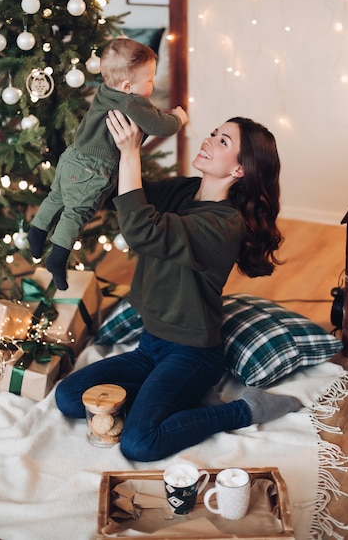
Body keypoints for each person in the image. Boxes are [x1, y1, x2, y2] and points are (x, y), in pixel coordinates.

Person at [55, 112, 302, 462]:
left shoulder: (224, 224)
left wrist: (131, 153)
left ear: (239, 170)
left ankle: (246, 409)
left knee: (140, 442)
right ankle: (166, 398)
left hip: (192, 354)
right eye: (214, 132)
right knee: (69, 397)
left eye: (223, 141)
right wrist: (98, 147)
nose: (209, 140)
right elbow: (122, 197)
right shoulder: (185, 190)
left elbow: (142, 231)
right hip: (150, 345)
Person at [27, 38, 187, 290]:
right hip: (91, 170)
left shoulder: (106, 90)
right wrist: (178, 118)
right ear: (127, 85)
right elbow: (159, 124)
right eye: (149, 80)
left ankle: (36, 234)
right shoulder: (131, 101)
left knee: (56, 196)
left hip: (72, 156)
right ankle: (57, 258)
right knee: (75, 213)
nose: (153, 84)